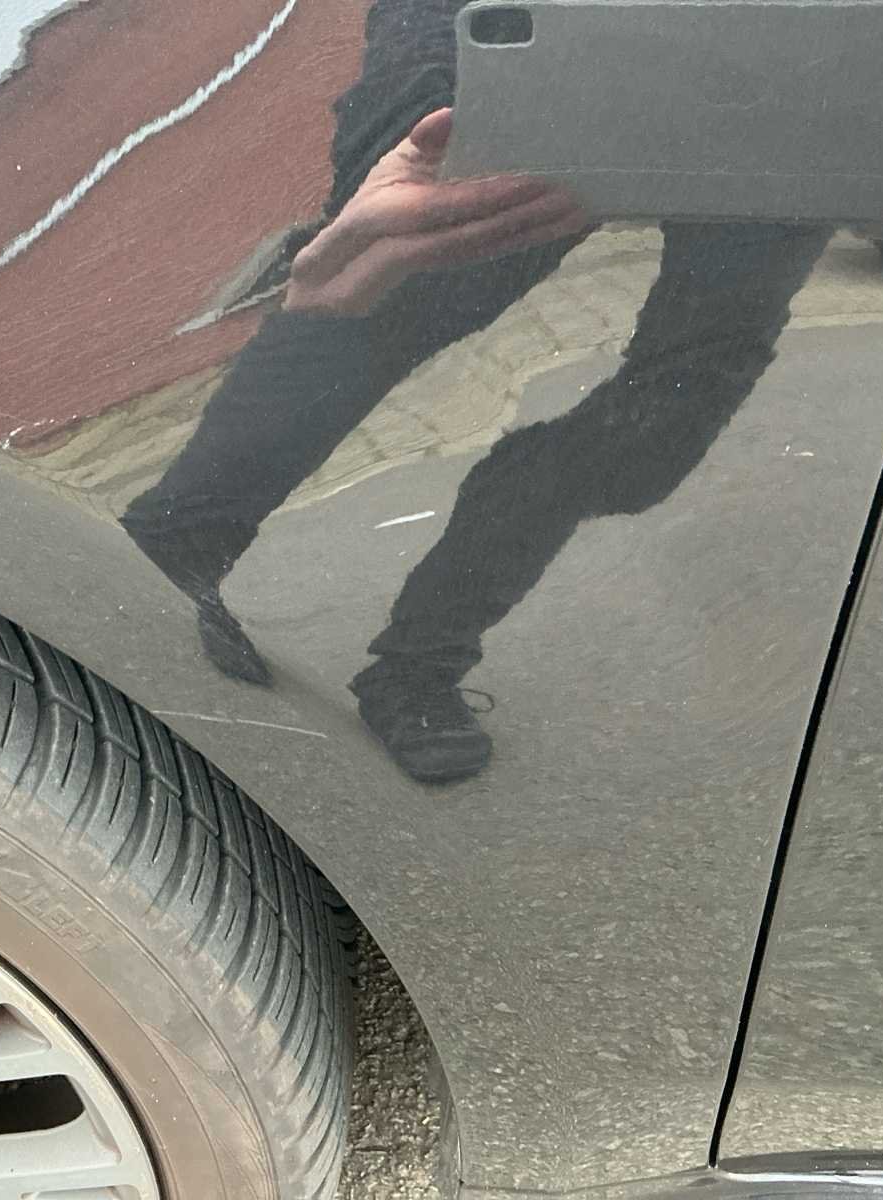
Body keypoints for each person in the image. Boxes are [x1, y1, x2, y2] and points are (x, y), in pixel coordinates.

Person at [123, 0, 831, 783]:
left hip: (791, 91)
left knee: (672, 411)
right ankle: (182, 539)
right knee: (406, 269)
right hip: (535, 23)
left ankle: (423, 658)